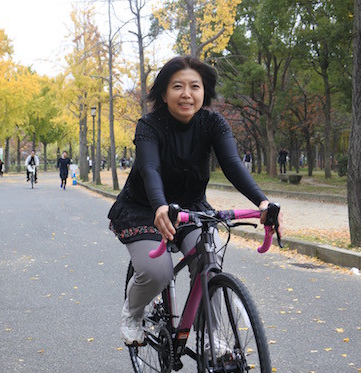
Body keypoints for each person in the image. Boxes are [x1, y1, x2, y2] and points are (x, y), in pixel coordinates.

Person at [107, 56, 283, 346]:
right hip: (145, 208)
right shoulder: (149, 125)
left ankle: (210, 334)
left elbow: (232, 164)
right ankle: (132, 312)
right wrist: (160, 205)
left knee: (209, 261)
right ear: (164, 93)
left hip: (191, 207)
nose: (186, 94)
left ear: (204, 92)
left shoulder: (213, 123)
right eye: (177, 86)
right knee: (157, 271)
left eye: (194, 86)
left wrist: (262, 202)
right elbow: (150, 168)